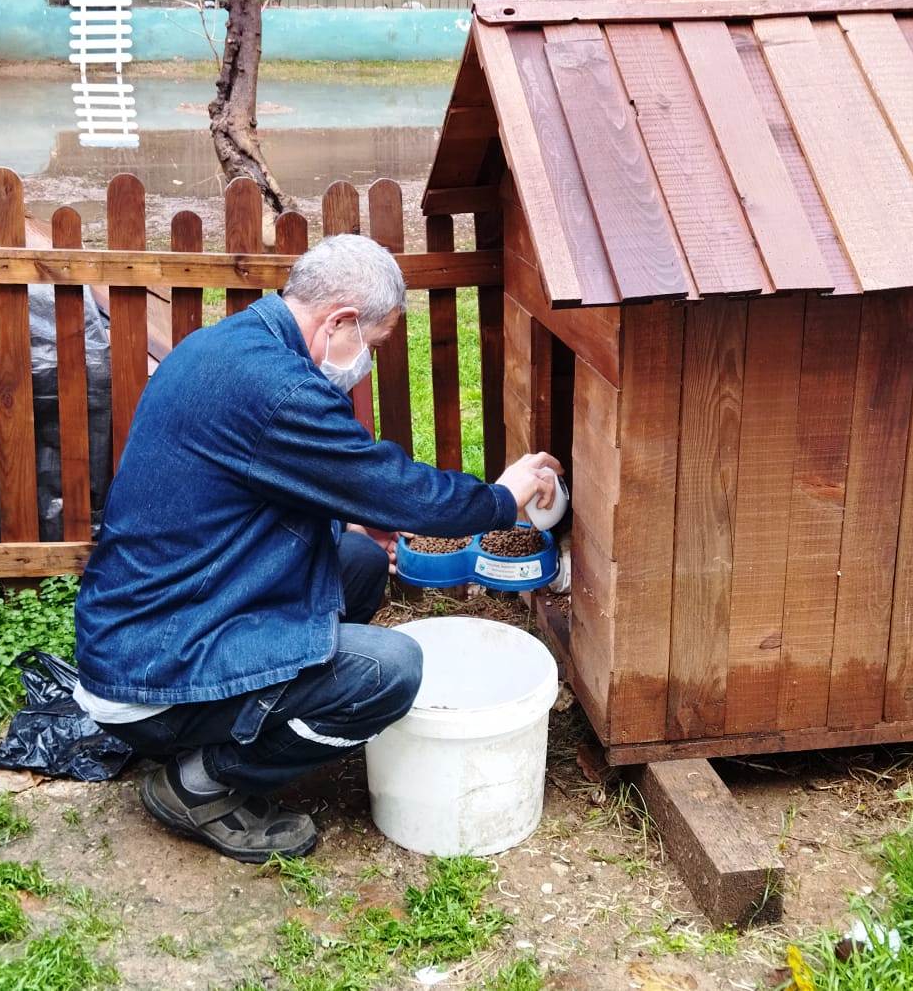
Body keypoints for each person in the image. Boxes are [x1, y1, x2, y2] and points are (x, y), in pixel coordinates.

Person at [73, 232, 562, 862]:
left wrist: (347, 522)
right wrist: (501, 497)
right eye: (372, 345)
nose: (365, 361)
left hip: (158, 618)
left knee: (356, 562)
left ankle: (268, 704)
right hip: (152, 669)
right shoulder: (276, 389)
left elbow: (258, 491)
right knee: (391, 672)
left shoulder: (229, 345)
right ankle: (198, 783)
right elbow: (393, 486)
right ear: (341, 321)